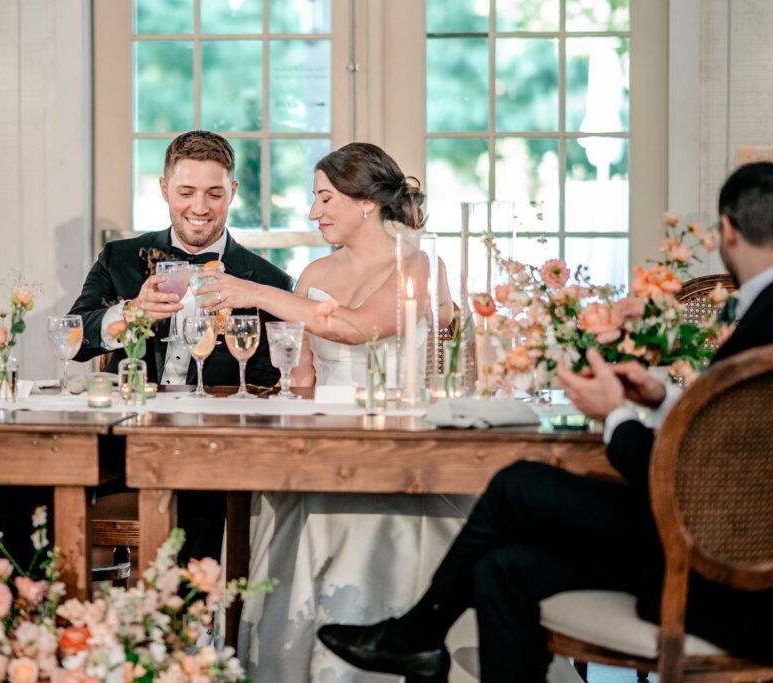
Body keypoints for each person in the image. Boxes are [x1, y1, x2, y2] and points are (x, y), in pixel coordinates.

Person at [317, 161, 773, 683]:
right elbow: (738, 440)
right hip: (709, 548)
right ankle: (417, 638)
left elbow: (691, 476)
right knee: (500, 570)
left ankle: (414, 636)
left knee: (518, 486)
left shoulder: (762, 316)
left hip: (722, 583)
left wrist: (616, 416)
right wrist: (659, 397)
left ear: (728, 230)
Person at [197, 142, 466, 683]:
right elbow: (304, 378)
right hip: (322, 441)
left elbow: (356, 327)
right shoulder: (315, 271)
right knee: (291, 490)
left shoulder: (422, 265)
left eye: (324, 198)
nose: (314, 211)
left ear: (366, 202)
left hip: (398, 443)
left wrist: (255, 292)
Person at [0, 130, 293, 568]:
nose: (200, 207)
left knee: (200, 493)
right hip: (120, 438)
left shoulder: (267, 280)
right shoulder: (120, 258)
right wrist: (130, 312)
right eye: (186, 192)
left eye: (214, 193)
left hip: (207, 448)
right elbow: (75, 337)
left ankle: (185, 625)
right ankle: (31, 613)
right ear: (165, 188)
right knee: (20, 474)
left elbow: (268, 384)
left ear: (233, 191)